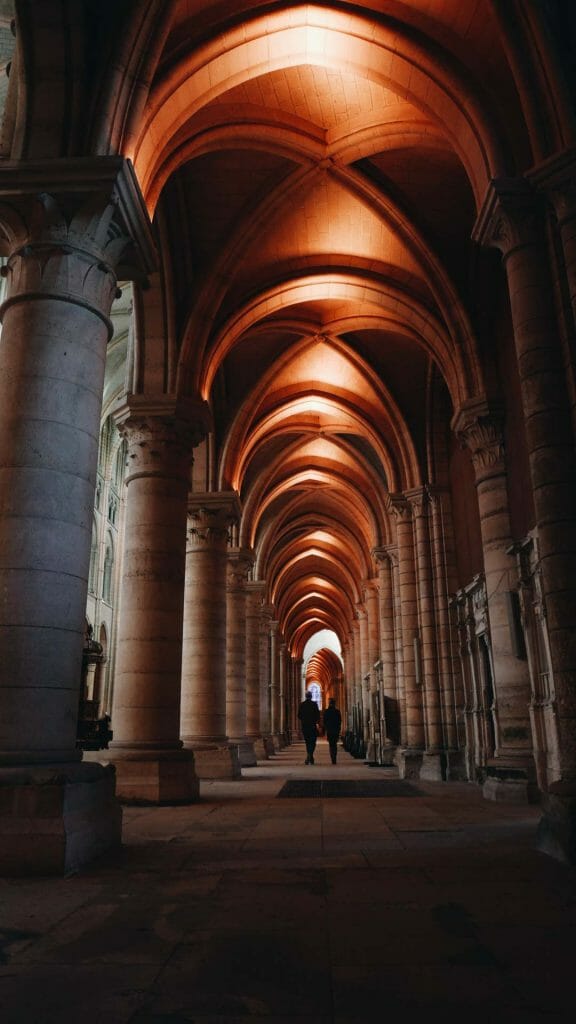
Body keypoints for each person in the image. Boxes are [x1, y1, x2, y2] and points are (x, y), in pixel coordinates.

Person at [298, 691, 320, 764]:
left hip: (305, 726)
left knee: (307, 742)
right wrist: (315, 721)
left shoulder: (302, 705)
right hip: (312, 726)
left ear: (306, 696)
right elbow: (318, 716)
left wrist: (304, 720)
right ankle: (310, 756)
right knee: (313, 742)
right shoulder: (314, 704)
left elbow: (299, 715)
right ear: (311, 696)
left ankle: (309, 756)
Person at [323, 697, 342, 764]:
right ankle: (334, 757)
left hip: (330, 730)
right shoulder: (337, 711)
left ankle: (332, 757)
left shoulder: (327, 711)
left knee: (331, 744)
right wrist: (339, 728)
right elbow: (340, 721)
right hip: (336, 730)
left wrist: (326, 729)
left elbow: (324, 721)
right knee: (335, 744)